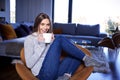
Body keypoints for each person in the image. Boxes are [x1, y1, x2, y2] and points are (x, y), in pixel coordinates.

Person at [24, 13, 105, 80]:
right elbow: (29, 64)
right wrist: (41, 45)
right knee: (60, 39)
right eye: (42, 24)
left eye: (48, 25)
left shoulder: (47, 36)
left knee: (76, 54)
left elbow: (51, 57)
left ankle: (65, 76)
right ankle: (87, 59)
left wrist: (52, 43)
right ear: (37, 24)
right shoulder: (30, 39)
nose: (46, 28)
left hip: (54, 70)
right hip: (43, 74)